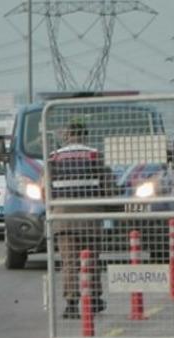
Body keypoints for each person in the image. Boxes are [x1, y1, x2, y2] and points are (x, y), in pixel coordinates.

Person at [49, 119, 115, 319]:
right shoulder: (95, 155)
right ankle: (94, 300)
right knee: (91, 260)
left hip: (63, 219)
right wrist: (109, 210)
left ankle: (71, 305)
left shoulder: (54, 157)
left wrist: (52, 209)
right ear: (85, 136)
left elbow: (45, 189)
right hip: (90, 217)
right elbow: (109, 189)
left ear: (67, 135)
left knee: (69, 262)